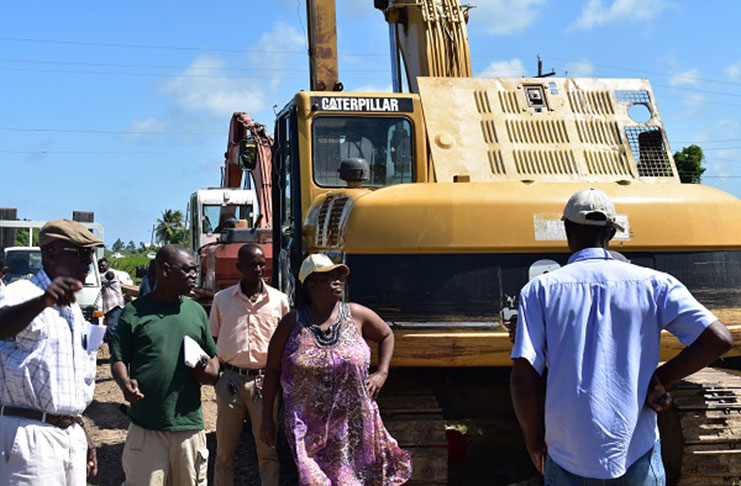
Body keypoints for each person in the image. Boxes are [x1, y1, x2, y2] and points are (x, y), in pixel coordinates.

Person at [510, 188, 733, 485]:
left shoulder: (540, 291)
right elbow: (718, 339)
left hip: (566, 455)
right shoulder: (655, 284)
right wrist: (662, 377)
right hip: (635, 451)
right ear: (612, 232)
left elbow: (523, 378)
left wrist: (533, 440)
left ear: (566, 229)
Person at [260, 253, 412, 486]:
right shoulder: (292, 323)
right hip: (309, 430)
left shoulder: (356, 314)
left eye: (339, 276)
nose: (338, 280)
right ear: (311, 284)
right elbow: (271, 371)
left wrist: (382, 372)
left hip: (354, 426)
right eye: (329, 276)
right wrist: (267, 419)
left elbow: (386, 335)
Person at [0, 219, 103, 485]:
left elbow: (68, 384)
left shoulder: (73, 310)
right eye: (80, 253)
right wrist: (43, 301)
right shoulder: (22, 293)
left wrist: (81, 430)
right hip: (31, 438)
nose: (87, 262)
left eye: (89, 253)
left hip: (69, 436)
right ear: (51, 254)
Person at [109, 244, 220, 486]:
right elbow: (118, 359)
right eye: (188, 270)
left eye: (195, 271)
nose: (194, 276)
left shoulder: (196, 312)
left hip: (188, 427)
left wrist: (210, 370)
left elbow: (213, 359)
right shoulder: (133, 312)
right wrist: (125, 383)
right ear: (166, 270)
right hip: (146, 428)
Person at [211, 243, 290, 486]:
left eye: (261, 264)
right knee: (224, 452)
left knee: (267, 450)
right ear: (239, 267)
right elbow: (213, 337)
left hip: (265, 383)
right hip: (231, 381)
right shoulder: (222, 300)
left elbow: (287, 340)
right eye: (251, 264)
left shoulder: (279, 300)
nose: (258, 269)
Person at [99, 257, 125, 340]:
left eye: (103, 265)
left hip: (115, 305)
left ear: (108, 265)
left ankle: (114, 350)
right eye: (99, 266)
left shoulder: (111, 273)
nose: (101, 267)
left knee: (112, 329)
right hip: (108, 307)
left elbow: (101, 279)